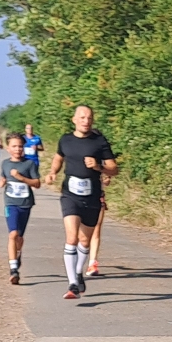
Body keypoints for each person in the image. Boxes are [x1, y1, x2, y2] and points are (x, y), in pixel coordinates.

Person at [43, 105, 118, 298]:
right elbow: (58, 158)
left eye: (89, 118)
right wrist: (52, 172)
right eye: (82, 117)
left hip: (92, 197)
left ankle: (78, 272)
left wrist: (99, 166)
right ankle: (72, 285)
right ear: (74, 119)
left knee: (85, 241)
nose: (86, 121)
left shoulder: (99, 141)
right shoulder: (66, 140)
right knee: (72, 238)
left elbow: (114, 169)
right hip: (70, 195)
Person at [0, 133, 42, 286]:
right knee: (13, 234)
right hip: (10, 203)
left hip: (25, 203)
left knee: (19, 237)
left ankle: (18, 254)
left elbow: (37, 183)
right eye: (14, 146)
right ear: (8, 148)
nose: (17, 149)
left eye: (20, 146)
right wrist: (2, 181)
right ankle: (13, 270)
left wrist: (21, 178)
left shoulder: (29, 164)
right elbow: (4, 177)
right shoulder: (5, 163)